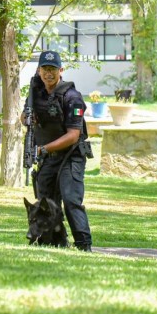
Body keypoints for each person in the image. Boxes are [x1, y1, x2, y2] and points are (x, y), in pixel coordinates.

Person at [22, 50, 94, 251]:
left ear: (61, 70)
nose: (48, 73)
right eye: (45, 69)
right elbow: (24, 116)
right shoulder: (36, 92)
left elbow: (73, 135)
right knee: (46, 204)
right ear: (39, 70)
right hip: (47, 157)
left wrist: (42, 149)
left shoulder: (72, 97)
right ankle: (52, 242)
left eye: (53, 69)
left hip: (71, 156)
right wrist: (27, 118)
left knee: (71, 200)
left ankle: (84, 245)